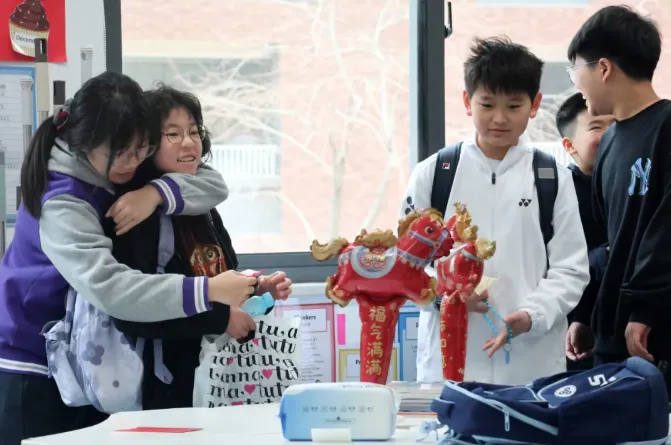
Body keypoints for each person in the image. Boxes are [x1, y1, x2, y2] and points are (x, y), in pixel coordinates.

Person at [0, 72, 258, 443]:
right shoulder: (64, 202)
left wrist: (155, 192)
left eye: (141, 149)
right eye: (121, 152)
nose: (132, 162)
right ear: (86, 143)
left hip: (86, 358)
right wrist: (207, 292)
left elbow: (212, 182)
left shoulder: (120, 176)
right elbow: (111, 287)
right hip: (32, 363)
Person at [405, 37, 589, 385]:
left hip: (531, 363)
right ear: (467, 101)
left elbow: (571, 268)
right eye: (487, 104)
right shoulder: (435, 174)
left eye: (514, 106)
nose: (499, 118)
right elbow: (408, 265)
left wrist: (532, 314)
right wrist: (447, 293)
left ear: (534, 105)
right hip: (450, 362)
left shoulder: (551, 177)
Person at [108, 85, 292, 410]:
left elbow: (222, 278)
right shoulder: (138, 211)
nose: (189, 142)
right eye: (173, 134)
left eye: (194, 132)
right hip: (161, 392)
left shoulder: (202, 207)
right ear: (147, 144)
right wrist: (219, 319)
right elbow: (132, 311)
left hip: (214, 379)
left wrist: (257, 291)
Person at [566, 5, 671, 392]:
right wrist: (588, 313)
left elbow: (665, 234)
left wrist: (645, 310)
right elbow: (604, 243)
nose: (576, 83)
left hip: (654, 334)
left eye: (575, 69)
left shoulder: (666, 128)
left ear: (604, 68)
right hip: (612, 336)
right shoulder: (609, 142)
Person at [555, 92, 613, 371]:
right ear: (569, 146)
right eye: (597, 127)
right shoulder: (559, 195)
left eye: (616, 124)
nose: (611, 134)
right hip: (575, 332)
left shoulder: (635, 186)